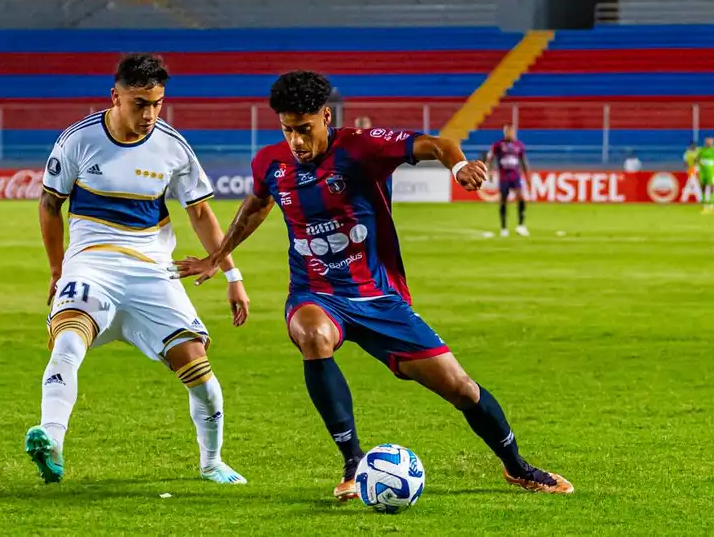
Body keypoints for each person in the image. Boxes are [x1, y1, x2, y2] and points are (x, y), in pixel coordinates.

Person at [174, 71, 574, 499]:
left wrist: (457, 166)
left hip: (378, 297)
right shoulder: (270, 162)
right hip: (316, 294)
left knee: (461, 388)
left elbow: (436, 144)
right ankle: (352, 463)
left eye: (304, 129)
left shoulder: (363, 147)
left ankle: (518, 468)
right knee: (312, 334)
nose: (296, 141)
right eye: (288, 130)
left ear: (326, 117)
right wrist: (219, 256)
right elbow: (255, 206)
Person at [25, 54, 249, 486]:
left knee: (197, 367)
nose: (148, 114)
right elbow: (50, 204)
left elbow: (200, 212)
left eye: (157, 103)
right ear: (116, 96)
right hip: (92, 261)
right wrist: (58, 267)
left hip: (151, 267)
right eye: (139, 102)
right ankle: (51, 441)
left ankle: (212, 462)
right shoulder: (78, 140)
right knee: (68, 339)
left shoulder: (172, 147)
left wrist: (231, 275)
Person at [487, 125, 530, 237]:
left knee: (521, 198)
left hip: (516, 177)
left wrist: (527, 176)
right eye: (508, 132)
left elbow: (523, 161)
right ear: (505, 132)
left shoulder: (519, 145)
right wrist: (490, 172)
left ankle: (521, 225)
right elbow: (490, 159)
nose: (510, 134)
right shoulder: (498, 145)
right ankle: (504, 228)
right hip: (504, 177)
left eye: (512, 132)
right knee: (503, 201)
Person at [699, 137, 714, 213]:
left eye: (710, 142)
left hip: (711, 171)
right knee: (703, 186)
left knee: (711, 186)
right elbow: (697, 159)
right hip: (703, 171)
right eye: (707, 142)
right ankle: (704, 203)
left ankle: (712, 203)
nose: (709, 143)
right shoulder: (701, 150)